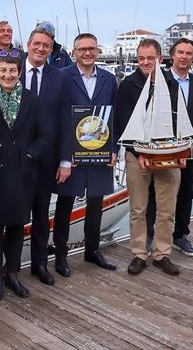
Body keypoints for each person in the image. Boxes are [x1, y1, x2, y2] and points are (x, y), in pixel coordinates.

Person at [0, 49, 51, 301]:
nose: (8, 75)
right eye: (3, 70)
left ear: (19, 72)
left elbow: (46, 134)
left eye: (13, 70)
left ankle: (13, 274)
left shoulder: (32, 100)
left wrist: (30, 155)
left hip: (23, 174)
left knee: (18, 226)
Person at [116, 39, 182, 277]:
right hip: (138, 157)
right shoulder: (127, 85)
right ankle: (138, 253)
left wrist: (179, 151)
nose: (145, 62)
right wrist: (139, 152)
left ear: (160, 59)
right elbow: (124, 123)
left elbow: (177, 121)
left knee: (166, 209)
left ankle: (162, 254)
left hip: (167, 156)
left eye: (150, 58)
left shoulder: (172, 83)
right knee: (138, 209)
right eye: (141, 58)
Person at [54, 33, 119, 275]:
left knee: (96, 203)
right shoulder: (61, 77)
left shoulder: (109, 80)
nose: (88, 53)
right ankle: (61, 255)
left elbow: (116, 117)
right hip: (71, 154)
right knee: (65, 203)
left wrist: (114, 149)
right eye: (83, 49)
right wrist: (62, 156)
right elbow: (57, 117)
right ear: (74, 52)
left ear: (98, 51)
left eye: (92, 49)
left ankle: (92, 251)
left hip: (101, 151)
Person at [146, 38, 193, 257]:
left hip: (189, 146)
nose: (184, 57)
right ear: (172, 55)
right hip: (161, 146)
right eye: (180, 52)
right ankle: (150, 235)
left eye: (189, 53)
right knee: (156, 192)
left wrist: (191, 134)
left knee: (186, 192)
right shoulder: (159, 79)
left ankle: (180, 235)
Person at [18, 26, 70, 285]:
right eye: (36, 43)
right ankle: (11, 268)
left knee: (41, 215)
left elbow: (65, 120)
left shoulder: (59, 78)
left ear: (51, 50)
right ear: (28, 44)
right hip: (16, 160)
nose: (40, 49)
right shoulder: (10, 71)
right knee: (15, 215)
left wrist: (65, 160)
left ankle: (40, 263)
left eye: (46, 46)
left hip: (47, 160)